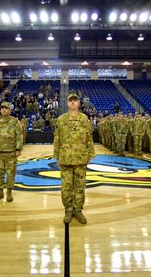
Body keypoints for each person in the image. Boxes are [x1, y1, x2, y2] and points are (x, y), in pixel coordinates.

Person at [53, 93, 95, 224]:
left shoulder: (84, 119)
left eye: (75, 100)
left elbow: (89, 138)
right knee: (66, 187)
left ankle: (78, 210)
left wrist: (90, 154)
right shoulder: (61, 120)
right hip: (65, 158)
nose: (72, 102)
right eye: (70, 100)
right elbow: (57, 139)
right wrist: (57, 156)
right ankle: (68, 210)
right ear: (67, 103)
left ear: (79, 103)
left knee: (80, 187)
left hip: (81, 158)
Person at [0, 102, 23, 202]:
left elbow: (19, 135)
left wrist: (18, 149)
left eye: (6, 108)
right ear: (0, 110)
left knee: (10, 173)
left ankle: (9, 192)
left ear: (9, 110)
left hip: (11, 152)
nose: (4, 109)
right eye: (2, 108)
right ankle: (0, 192)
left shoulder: (14, 121)